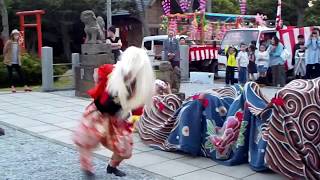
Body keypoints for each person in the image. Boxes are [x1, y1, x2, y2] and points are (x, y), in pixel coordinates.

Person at [73, 47, 155, 178]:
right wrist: (100, 86)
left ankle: (112, 167)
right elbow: (98, 72)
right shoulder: (111, 71)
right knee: (86, 140)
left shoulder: (138, 86)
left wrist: (132, 123)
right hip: (97, 112)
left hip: (116, 119)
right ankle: (87, 169)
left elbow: (137, 109)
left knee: (125, 148)